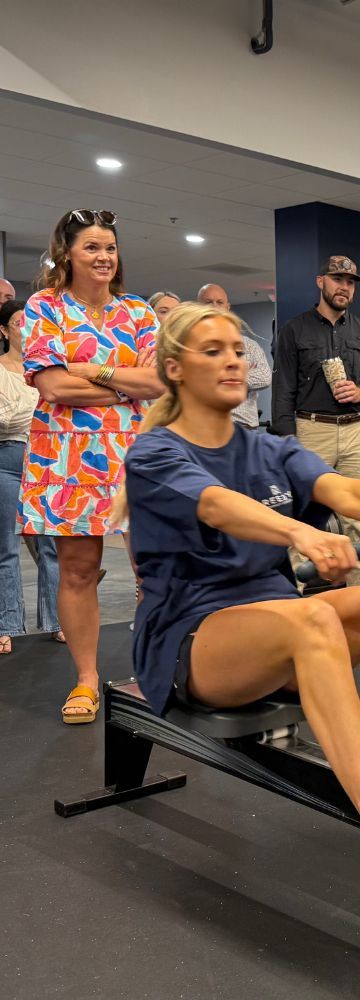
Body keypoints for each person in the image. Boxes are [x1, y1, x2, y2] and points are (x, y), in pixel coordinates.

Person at [123, 301, 360, 879]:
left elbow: (345, 491)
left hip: (276, 627)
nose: (232, 363)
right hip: (191, 640)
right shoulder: (156, 452)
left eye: (238, 352)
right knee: (312, 619)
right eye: (213, 351)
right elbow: (218, 506)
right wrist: (302, 533)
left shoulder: (267, 447)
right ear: (174, 368)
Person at [20, 209, 163, 723]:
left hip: (136, 454)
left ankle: (156, 672)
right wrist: (123, 382)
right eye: (92, 248)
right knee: (78, 570)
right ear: (67, 254)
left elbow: (159, 384)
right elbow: (53, 387)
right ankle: (85, 681)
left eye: (110, 248)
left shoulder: (141, 315)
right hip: (66, 456)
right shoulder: (45, 307)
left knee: (155, 570)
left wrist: (90, 369)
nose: (104, 257)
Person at [271, 256, 360, 587]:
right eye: (338, 279)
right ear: (320, 281)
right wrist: (288, 443)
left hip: (356, 431)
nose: (344, 287)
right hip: (310, 431)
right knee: (300, 519)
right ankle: (287, 600)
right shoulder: (294, 331)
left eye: (350, 282)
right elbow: (283, 391)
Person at [0, 300, 61, 653]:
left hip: (46, 459)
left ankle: (56, 620)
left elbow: (56, 412)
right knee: (6, 547)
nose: (29, 327)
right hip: (7, 459)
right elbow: (7, 421)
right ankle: (7, 623)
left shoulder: (49, 369)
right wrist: (39, 405)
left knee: (52, 545)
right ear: (5, 330)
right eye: (20, 322)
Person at [196, 283, 271, 430]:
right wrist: (241, 376)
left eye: (219, 302)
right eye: (208, 302)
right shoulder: (191, 344)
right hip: (206, 428)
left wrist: (222, 379)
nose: (214, 306)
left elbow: (265, 377)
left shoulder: (249, 345)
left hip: (245, 428)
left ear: (227, 307)